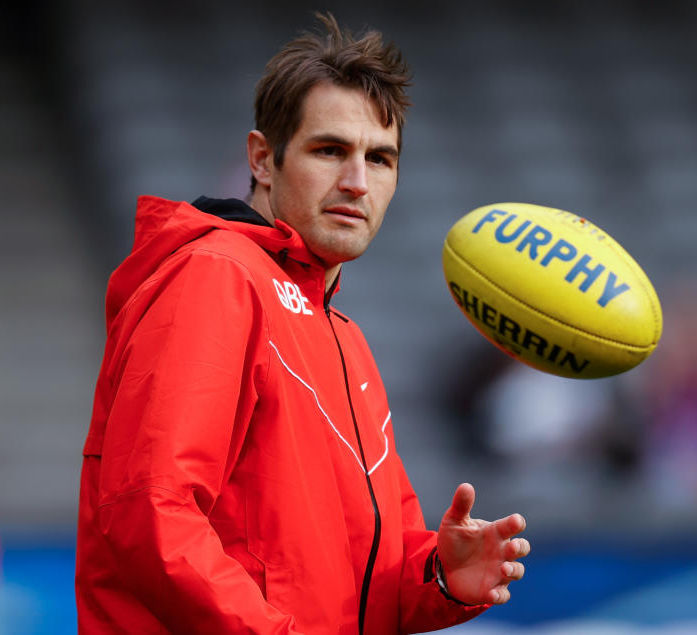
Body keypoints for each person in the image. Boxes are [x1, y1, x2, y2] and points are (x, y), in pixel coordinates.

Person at [76, 14, 529, 634]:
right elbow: (150, 515)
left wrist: (440, 577)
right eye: (330, 150)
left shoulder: (342, 332)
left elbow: (365, 577)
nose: (356, 183)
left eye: (381, 159)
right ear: (263, 159)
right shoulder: (216, 277)